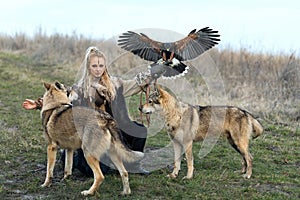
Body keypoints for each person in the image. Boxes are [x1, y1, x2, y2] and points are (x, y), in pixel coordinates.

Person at [23, 46, 152, 176]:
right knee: (94, 170)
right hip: (92, 133)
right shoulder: (79, 89)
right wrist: (39, 104)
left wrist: (153, 74)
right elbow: (59, 99)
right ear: (88, 67)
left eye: (101, 65)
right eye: (94, 66)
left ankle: (133, 166)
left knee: (138, 130)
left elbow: (135, 84)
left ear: (105, 66)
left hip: (114, 127)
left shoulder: (115, 83)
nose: (98, 69)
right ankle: (70, 155)